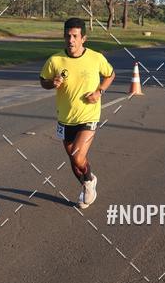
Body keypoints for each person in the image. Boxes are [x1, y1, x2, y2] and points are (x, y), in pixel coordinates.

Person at [40, 18, 115, 209]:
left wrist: (99, 92)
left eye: (75, 36)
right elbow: (43, 81)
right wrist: (52, 83)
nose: (70, 40)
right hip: (65, 118)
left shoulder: (96, 58)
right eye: (67, 36)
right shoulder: (55, 60)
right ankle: (87, 185)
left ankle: (89, 180)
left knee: (76, 156)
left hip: (88, 115)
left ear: (84, 38)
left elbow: (110, 74)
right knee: (74, 162)